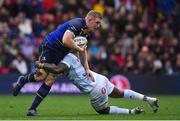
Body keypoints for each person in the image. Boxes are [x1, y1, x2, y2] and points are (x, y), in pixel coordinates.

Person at [13, 10, 102, 113]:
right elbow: (66, 40)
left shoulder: (88, 33)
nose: (98, 26)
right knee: (40, 77)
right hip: (50, 46)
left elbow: (82, 50)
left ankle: (32, 108)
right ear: (90, 19)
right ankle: (23, 80)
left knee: (51, 78)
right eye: (97, 22)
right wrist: (78, 48)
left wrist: (87, 68)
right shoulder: (77, 24)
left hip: (62, 52)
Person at [30, 51, 159, 116]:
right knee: (120, 92)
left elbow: (57, 69)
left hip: (95, 89)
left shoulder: (65, 60)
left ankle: (131, 112)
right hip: (99, 78)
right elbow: (54, 71)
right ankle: (148, 99)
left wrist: (41, 64)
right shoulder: (71, 55)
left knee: (102, 111)